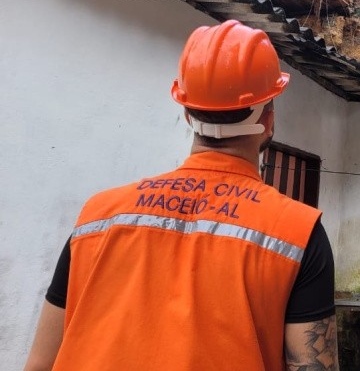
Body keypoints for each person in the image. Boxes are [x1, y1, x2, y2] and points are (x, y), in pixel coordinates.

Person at [24, 20, 339, 371]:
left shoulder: (97, 216)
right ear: (268, 119)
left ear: (187, 113)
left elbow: (39, 364)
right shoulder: (296, 233)